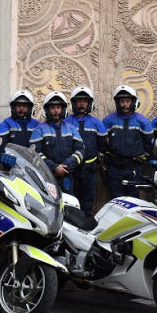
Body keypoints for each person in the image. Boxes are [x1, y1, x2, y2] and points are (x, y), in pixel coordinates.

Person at [102, 85, 154, 199]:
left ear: (133, 102)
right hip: (114, 167)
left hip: (133, 167)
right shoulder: (108, 120)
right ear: (117, 102)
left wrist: (142, 157)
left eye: (127, 101)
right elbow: (102, 142)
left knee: (133, 198)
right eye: (122, 101)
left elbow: (149, 143)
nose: (125, 104)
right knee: (115, 199)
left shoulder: (142, 121)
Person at [64, 85, 107, 217]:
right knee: (70, 203)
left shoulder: (97, 123)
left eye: (85, 101)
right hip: (71, 171)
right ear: (74, 103)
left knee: (87, 204)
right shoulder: (66, 122)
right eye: (79, 101)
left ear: (89, 103)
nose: (82, 104)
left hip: (89, 171)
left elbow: (103, 146)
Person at [30, 91, 84, 195]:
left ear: (62, 109)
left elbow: (80, 151)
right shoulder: (39, 130)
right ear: (47, 110)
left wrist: (65, 166)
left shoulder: (71, 129)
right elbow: (34, 153)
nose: (56, 111)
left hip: (67, 176)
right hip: (47, 176)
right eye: (52, 108)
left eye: (58, 108)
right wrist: (54, 167)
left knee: (68, 205)